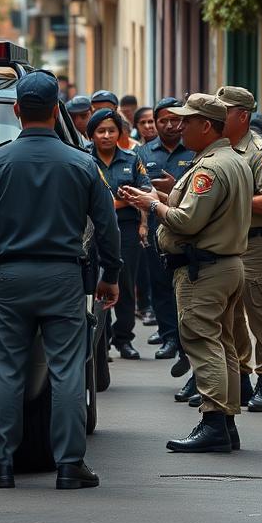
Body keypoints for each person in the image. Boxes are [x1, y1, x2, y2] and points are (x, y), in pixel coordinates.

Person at [0, 70, 122, 490]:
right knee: (67, 370)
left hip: (9, 276)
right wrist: (110, 276)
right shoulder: (82, 163)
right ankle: (69, 465)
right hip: (63, 276)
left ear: (16, 111)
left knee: (5, 369)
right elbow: (107, 227)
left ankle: (0, 463)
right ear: (56, 111)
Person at [121, 94, 253, 453]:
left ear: (206, 126)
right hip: (223, 264)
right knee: (222, 342)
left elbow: (188, 221)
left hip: (205, 268)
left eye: (187, 122)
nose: (179, 127)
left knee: (201, 339)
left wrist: (153, 205)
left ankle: (213, 423)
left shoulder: (210, 167)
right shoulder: (231, 159)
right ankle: (225, 423)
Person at [218, 86, 262, 413]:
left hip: (256, 241)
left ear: (242, 115)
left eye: (224, 110)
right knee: (230, 314)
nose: (218, 116)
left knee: (259, 312)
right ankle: (241, 375)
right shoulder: (222, 149)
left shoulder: (261, 152)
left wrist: (229, 196)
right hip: (229, 242)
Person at [86, 109, 152, 359]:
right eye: (100, 131)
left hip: (125, 229)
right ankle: (100, 342)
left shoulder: (132, 159)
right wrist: (118, 200)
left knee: (124, 282)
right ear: (91, 135)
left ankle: (124, 338)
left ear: (119, 133)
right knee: (94, 283)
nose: (106, 135)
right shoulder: (84, 159)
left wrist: (116, 204)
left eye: (111, 130)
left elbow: (145, 192)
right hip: (91, 229)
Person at [138, 98, 195, 359]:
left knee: (184, 286)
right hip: (154, 227)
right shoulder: (144, 153)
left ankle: (187, 341)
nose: (170, 125)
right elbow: (138, 190)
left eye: (175, 120)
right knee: (159, 285)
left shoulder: (194, 151)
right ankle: (169, 337)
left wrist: (173, 191)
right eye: (164, 120)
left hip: (187, 229)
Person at [132, 106, 158, 326]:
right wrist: (143, 224)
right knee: (146, 269)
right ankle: (146, 306)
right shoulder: (137, 154)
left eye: (152, 121)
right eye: (144, 122)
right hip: (147, 220)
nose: (149, 126)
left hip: (170, 219)